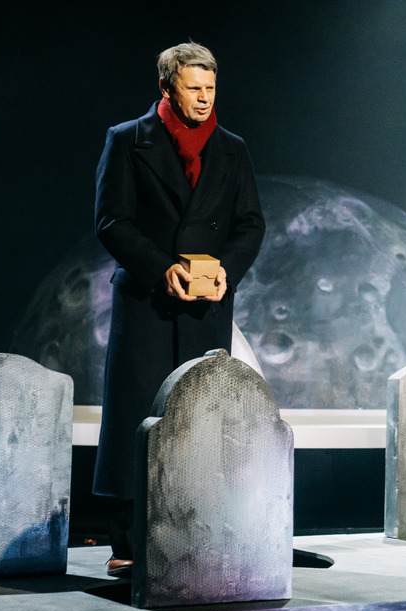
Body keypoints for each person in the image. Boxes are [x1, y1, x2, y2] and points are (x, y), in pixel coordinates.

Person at [93, 42, 265, 576]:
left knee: (200, 418)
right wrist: (159, 268)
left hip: (205, 306)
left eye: (211, 88)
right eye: (194, 88)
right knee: (135, 416)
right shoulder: (127, 140)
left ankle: (197, 532)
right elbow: (112, 221)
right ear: (167, 88)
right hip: (147, 302)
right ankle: (127, 541)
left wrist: (227, 271)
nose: (205, 98)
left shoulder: (232, 149)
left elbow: (250, 223)